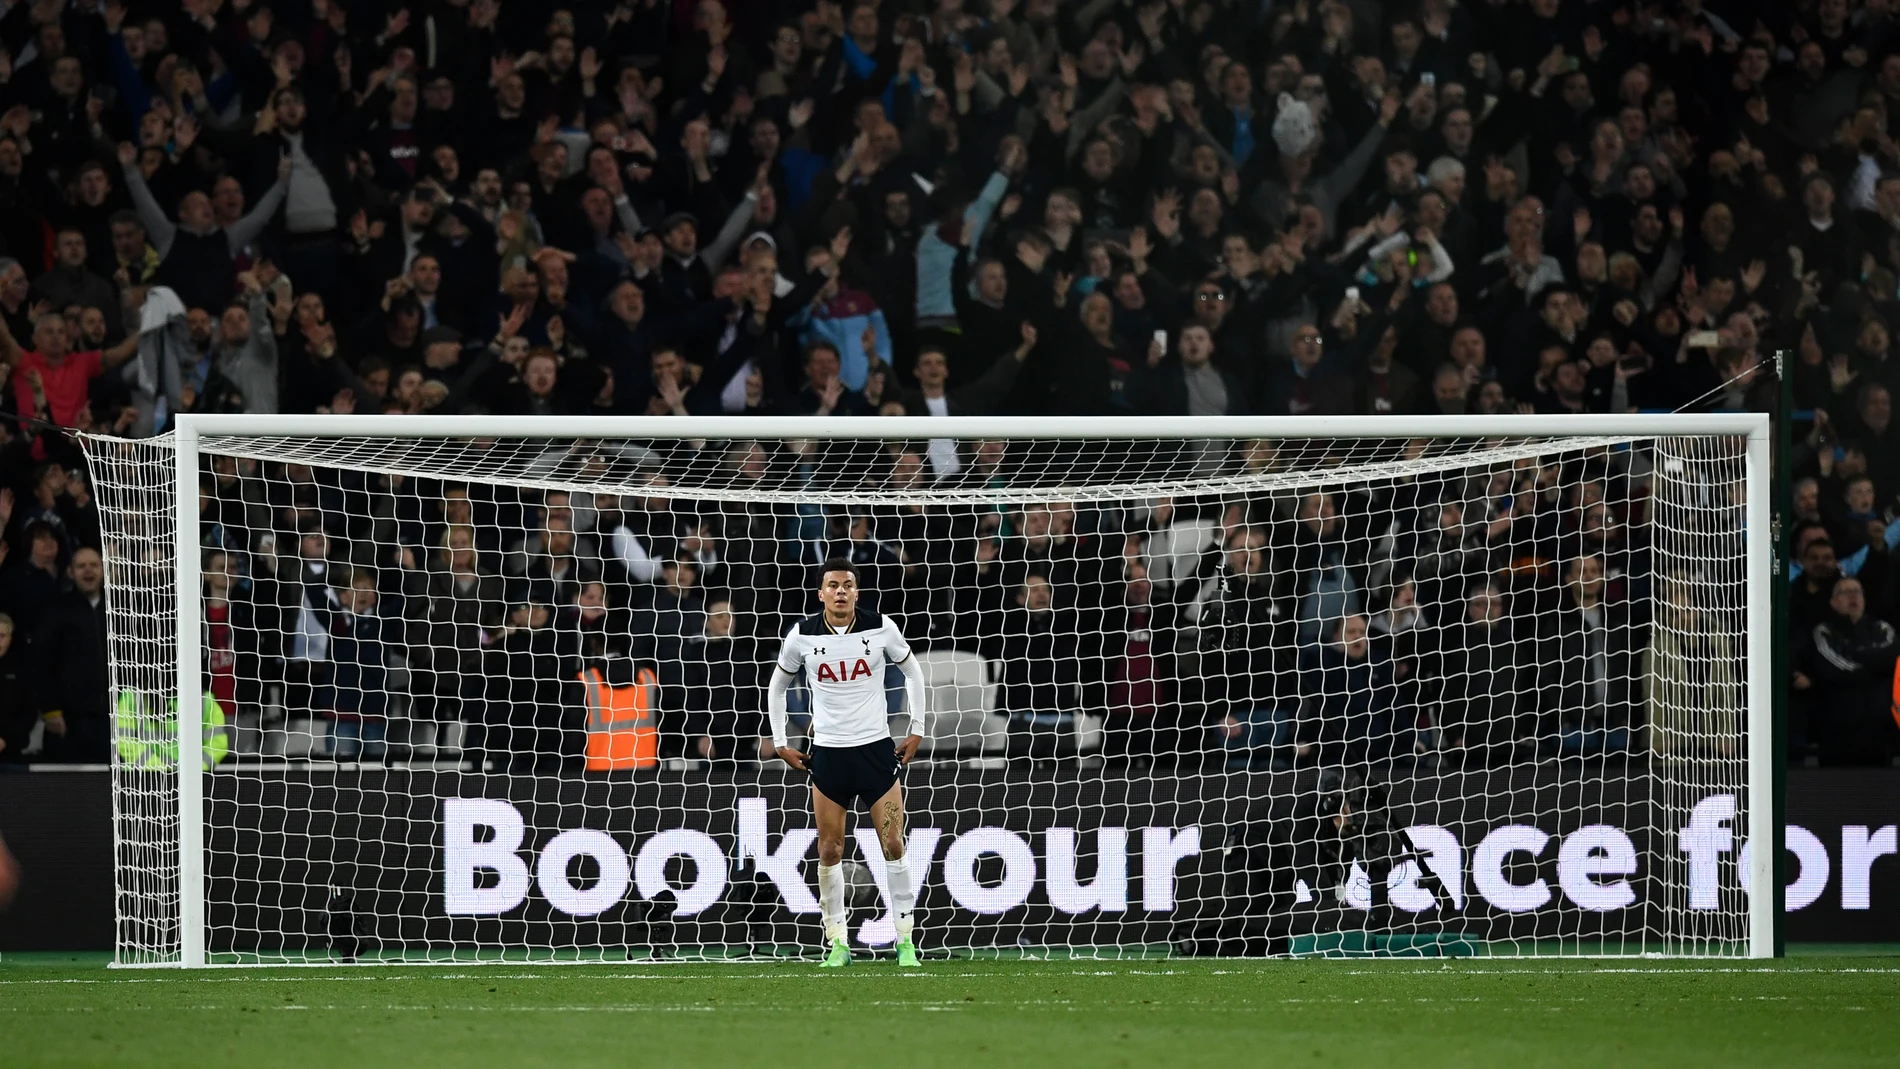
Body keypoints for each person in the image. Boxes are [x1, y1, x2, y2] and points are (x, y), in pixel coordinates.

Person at [766, 559, 927, 969]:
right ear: (821, 593)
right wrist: (781, 742)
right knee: (829, 848)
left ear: (857, 592)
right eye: (833, 585)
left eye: (847, 585)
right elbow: (778, 686)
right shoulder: (801, 635)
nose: (840, 591)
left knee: (893, 843)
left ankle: (905, 940)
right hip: (829, 753)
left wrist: (917, 728)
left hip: (874, 750)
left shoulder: (881, 627)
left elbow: (913, 672)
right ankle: (837, 942)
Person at [1803, 576, 1900, 767]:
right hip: (1837, 731)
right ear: (1832, 602)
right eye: (1845, 592)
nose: (1852, 596)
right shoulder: (1824, 631)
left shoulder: (1882, 628)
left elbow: (1893, 659)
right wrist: (1874, 667)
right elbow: (1831, 668)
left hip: (1879, 731)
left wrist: (1853, 652)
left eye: (1857, 591)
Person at [34, 547, 109, 763]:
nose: (88, 571)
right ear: (70, 572)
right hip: (69, 720)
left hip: (113, 720)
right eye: (81, 566)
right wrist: (50, 710)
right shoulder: (56, 610)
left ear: (104, 570)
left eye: (94, 565)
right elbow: (42, 664)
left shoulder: (118, 611)